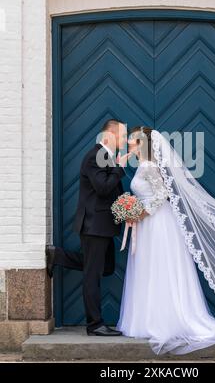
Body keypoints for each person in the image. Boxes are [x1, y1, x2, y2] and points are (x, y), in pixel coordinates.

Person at [116, 126, 215, 355]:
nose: (129, 145)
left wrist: (140, 213)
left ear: (141, 144)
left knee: (158, 267)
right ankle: (148, 318)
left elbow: (162, 194)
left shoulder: (149, 166)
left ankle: (163, 319)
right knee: (149, 268)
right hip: (149, 223)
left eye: (132, 142)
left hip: (157, 222)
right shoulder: (144, 165)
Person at [46, 119, 131, 336]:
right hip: (95, 225)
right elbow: (103, 188)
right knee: (92, 274)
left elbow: (108, 191)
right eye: (122, 135)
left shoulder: (106, 157)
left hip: (103, 225)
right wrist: (119, 169)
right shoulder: (96, 156)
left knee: (106, 267)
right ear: (108, 136)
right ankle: (95, 325)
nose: (124, 139)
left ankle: (59, 256)